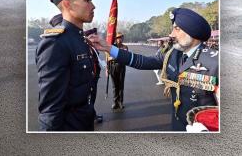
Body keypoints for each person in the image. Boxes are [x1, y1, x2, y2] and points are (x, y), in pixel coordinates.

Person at [89, 8, 219, 131]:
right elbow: (143, 61)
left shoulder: (216, 63)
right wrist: (108, 48)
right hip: (177, 126)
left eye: (177, 29)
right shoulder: (172, 54)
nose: (171, 34)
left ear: (192, 33)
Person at [35, 0, 103, 131]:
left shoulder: (81, 39)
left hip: (85, 122)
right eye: (87, 0)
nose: (93, 6)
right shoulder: (55, 43)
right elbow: (50, 111)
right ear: (67, 4)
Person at [107, 32, 127, 110]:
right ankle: (115, 101)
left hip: (121, 67)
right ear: (116, 39)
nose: (120, 39)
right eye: (118, 38)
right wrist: (107, 69)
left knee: (121, 86)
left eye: (121, 37)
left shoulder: (125, 47)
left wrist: (114, 57)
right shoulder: (112, 47)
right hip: (113, 67)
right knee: (114, 86)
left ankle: (120, 102)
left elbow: (124, 57)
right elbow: (108, 58)